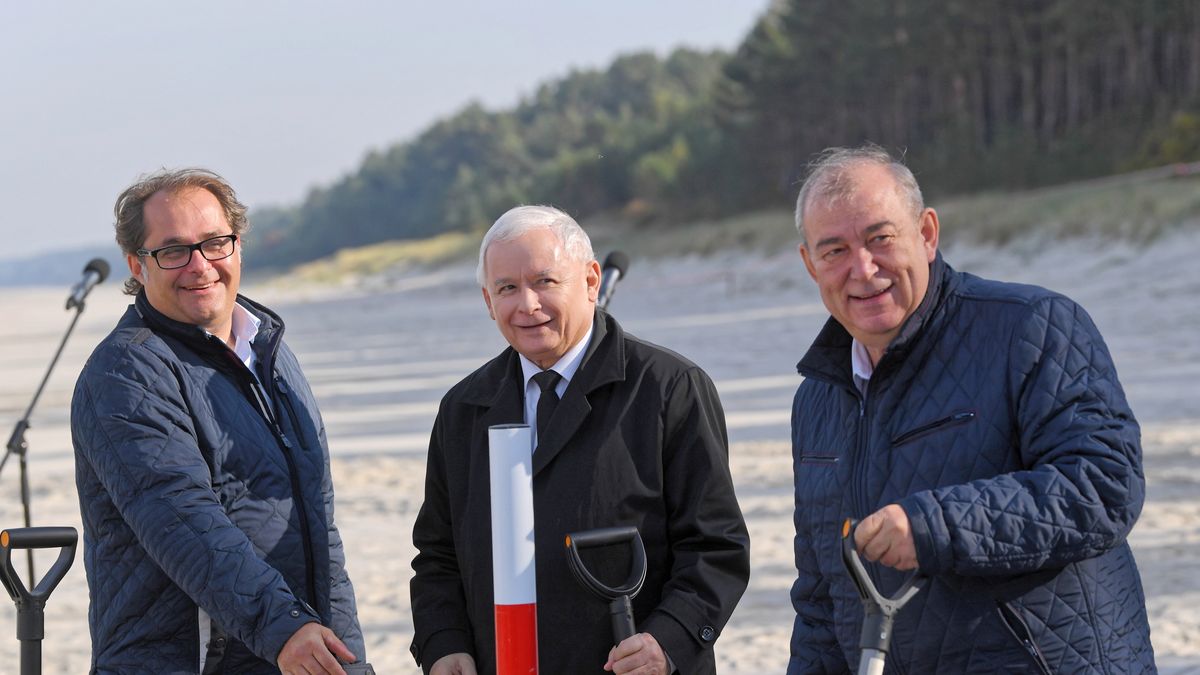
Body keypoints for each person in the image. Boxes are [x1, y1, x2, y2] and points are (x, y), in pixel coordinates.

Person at [787, 145, 1155, 673]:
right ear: (809, 263)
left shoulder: (1032, 326)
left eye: (880, 239)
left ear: (928, 234)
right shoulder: (817, 399)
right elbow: (822, 598)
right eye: (834, 250)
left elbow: (1106, 485)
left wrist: (933, 527)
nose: (863, 269)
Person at [409, 205, 750, 674]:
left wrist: (668, 640)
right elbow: (437, 554)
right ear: (488, 302)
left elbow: (717, 546)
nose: (526, 304)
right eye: (507, 288)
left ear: (591, 281)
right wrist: (443, 642)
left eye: (545, 281)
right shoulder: (462, 409)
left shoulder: (670, 389)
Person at [71, 168, 367, 674]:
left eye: (214, 243)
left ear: (237, 246)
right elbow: (182, 520)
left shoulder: (268, 351)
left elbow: (320, 531)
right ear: (137, 266)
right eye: (173, 251)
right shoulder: (125, 372)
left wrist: (349, 660)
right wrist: (285, 628)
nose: (199, 265)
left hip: (287, 652)